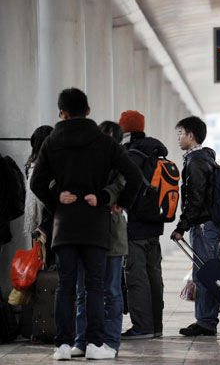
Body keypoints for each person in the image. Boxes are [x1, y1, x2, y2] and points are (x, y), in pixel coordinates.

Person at [30, 88, 142, 361]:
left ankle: (64, 346)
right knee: (95, 286)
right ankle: (94, 344)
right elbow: (134, 176)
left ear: (62, 113)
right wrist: (111, 200)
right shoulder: (103, 141)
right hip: (95, 223)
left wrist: (57, 198)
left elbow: (36, 183)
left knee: (67, 285)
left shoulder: (53, 140)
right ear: (89, 110)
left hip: (65, 224)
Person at [73, 121, 129, 356]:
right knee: (83, 290)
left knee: (111, 291)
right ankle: (81, 340)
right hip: (86, 233)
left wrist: (105, 197)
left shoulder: (122, 164)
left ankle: (110, 342)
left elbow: (122, 186)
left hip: (112, 234)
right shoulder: (83, 159)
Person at [118, 110, 169, 339]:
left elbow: (123, 187)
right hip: (154, 224)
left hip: (135, 225)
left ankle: (142, 327)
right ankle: (156, 326)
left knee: (136, 276)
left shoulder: (131, 155)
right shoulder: (156, 154)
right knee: (153, 275)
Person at [170, 116, 220, 336]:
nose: (179, 138)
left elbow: (196, 198)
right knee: (205, 272)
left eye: (180, 133)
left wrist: (182, 226)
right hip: (207, 225)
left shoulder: (196, 161)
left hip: (202, 225)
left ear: (191, 136)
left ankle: (206, 322)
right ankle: (205, 319)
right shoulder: (205, 158)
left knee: (204, 274)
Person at [23, 125, 54, 265]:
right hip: (38, 223)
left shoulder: (37, 166)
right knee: (42, 262)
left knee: (48, 261)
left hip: (48, 223)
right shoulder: (30, 167)